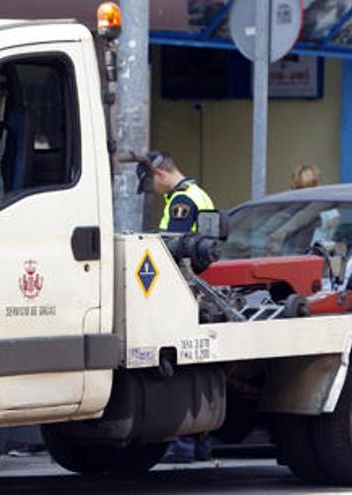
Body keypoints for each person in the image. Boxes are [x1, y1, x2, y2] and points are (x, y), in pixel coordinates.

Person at [137, 151, 214, 462]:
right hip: (192, 285)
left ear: (159, 175)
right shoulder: (195, 193)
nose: (152, 192)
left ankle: (183, 446)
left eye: (150, 184)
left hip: (180, 287)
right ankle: (200, 446)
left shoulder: (183, 201)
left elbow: (174, 245)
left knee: (177, 367)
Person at [137, 151, 215, 232]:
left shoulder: (181, 200)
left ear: (159, 174)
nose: (150, 188)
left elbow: (175, 242)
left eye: (149, 182)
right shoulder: (197, 192)